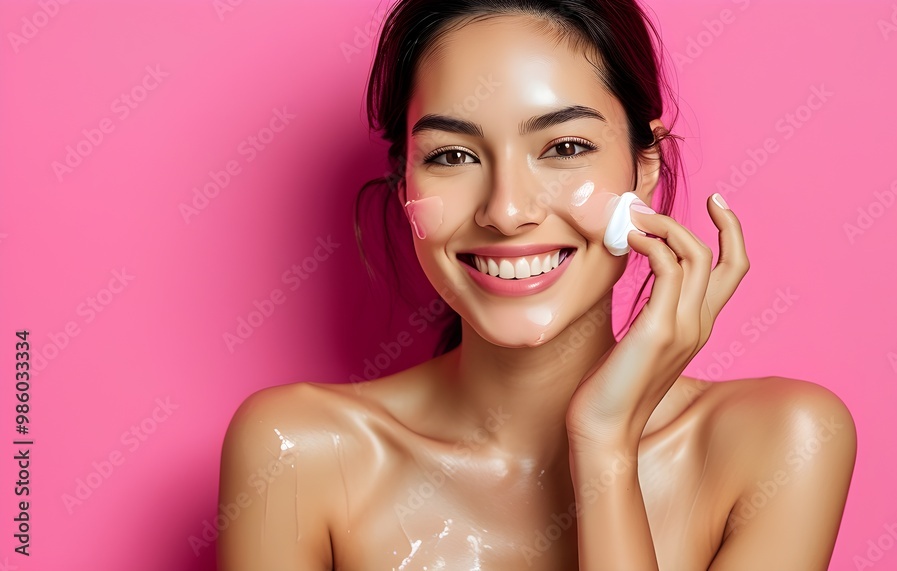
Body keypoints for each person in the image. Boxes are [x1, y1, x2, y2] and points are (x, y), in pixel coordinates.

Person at [217, 1, 857, 569]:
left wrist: (605, 443)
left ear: (643, 170)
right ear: (404, 183)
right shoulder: (296, 451)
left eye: (564, 147)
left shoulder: (782, 441)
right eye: (452, 156)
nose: (506, 210)